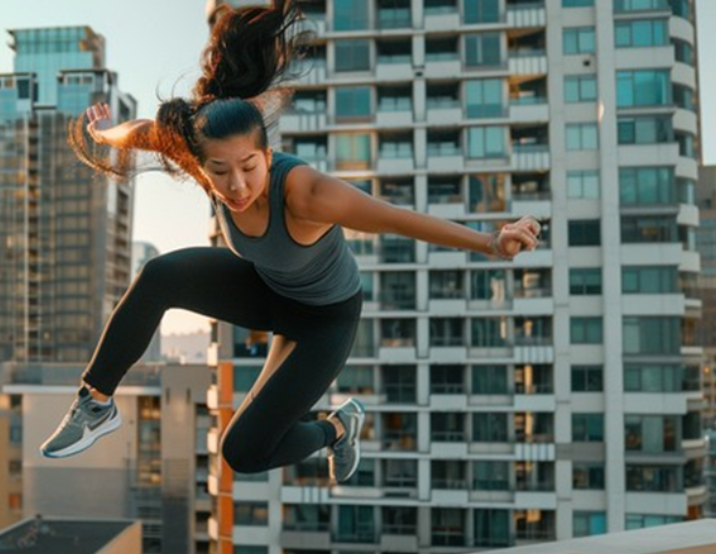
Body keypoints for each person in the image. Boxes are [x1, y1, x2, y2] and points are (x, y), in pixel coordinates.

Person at [39, 0, 541, 486]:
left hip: (325, 319)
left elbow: (397, 219)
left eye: (249, 168)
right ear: (203, 163)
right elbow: (142, 133)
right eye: (220, 173)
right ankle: (96, 403)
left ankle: (338, 428)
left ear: (266, 152)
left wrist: (491, 242)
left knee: (243, 452)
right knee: (159, 276)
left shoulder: (307, 193)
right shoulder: (201, 153)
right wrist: (104, 133)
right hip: (267, 289)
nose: (236, 186)